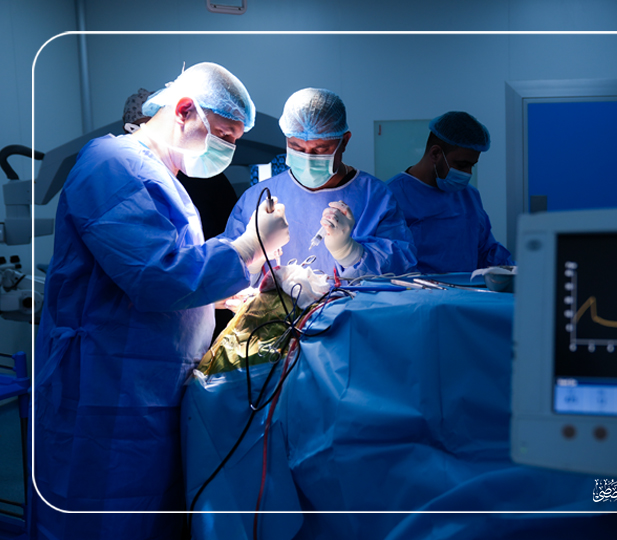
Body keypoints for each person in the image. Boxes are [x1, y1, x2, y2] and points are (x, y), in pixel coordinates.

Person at [34, 62, 289, 540]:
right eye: (224, 136)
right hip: (105, 393)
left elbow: (159, 272)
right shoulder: (112, 164)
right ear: (185, 109)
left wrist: (217, 297)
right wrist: (250, 247)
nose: (228, 150)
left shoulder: (162, 176)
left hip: (147, 389)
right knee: (102, 519)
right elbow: (155, 276)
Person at [224, 87, 417, 279]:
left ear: (344, 141)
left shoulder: (375, 196)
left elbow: (403, 266)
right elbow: (225, 272)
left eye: (321, 149)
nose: (308, 158)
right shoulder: (256, 199)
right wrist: (253, 263)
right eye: (297, 147)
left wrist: (349, 252)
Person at [124, 88, 240, 340]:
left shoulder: (202, 176)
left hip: (194, 316)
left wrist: (216, 288)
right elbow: (151, 280)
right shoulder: (119, 172)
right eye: (224, 133)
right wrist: (247, 249)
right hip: (133, 342)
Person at [387, 111, 514, 274]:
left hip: (466, 289)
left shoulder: (469, 196)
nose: (468, 173)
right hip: (416, 290)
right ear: (435, 154)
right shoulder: (392, 196)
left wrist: (514, 272)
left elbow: (487, 252)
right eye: (462, 165)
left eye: (472, 165)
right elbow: (391, 264)